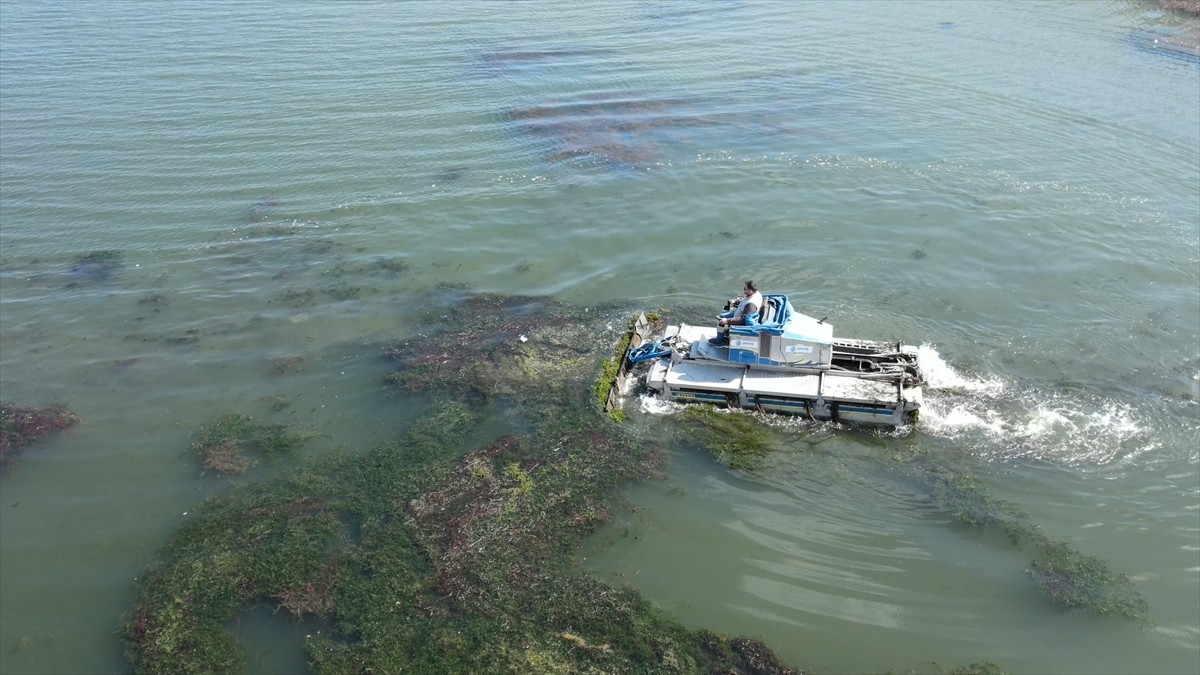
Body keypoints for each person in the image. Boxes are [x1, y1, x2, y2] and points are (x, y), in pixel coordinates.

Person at [708, 280, 762, 346]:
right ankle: (724, 333)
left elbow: (742, 319)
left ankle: (719, 340)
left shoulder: (751, 305)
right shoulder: (755, 294)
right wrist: (735, 301)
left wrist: (727, 321)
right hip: (738, 313)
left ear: (750, 290)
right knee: (721, 316)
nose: (744, 291)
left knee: (721, 322)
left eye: (745, 289)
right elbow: (744, 300)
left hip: (740, 321)